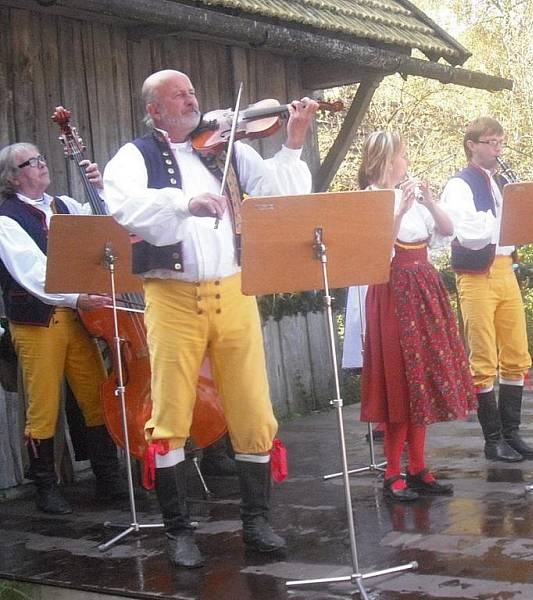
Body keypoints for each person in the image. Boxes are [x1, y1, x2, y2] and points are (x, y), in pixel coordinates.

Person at [103, 69, 318, 568]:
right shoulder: (135, 155)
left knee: (253, 410)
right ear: (154, 109)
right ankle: (179, 531)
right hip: (171, 297)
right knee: (171, 414)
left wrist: (292, 142)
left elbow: (279, 195)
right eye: (177, 95)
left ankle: (257, 523)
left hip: (235, 291)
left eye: (192, 92)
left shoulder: (230, 149)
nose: (191, 100)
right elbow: (127, 206)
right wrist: (184, 203)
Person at [0, 143, 125, 514]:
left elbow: (103, 227)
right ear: (13, 176)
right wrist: (76, 297)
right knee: (43, 405)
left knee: (94, 395)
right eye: (30, 162)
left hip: (78, 319)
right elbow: (32, 271)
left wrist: (100, 189)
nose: (40, 165)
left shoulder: (66, 206)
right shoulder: (6, 218)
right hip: (38, 321)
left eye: (40, 158)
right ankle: (45, 488)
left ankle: (108, 478)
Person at [359, 131, 475, 501]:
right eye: (403, 155)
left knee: (422, 379)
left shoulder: (413, 197)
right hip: (393, 290)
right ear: (386, 160)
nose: (406, 162)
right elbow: (376, 249)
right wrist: (399, 211)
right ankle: (392, 471)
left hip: (424, 288)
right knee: (400, 381)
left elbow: (447, 230)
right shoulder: (370, 199)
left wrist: (427, 199)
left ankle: (418, 466)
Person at [441, 116, 533, 463]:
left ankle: (512, 434)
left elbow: (508, 230)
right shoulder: (459, 184)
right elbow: (468, 233)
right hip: (476, 274)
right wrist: (503, 218)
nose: (498, 149)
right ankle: (492, 439)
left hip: (504, 270)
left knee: (516, 353)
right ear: (472, 145)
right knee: (483, 357)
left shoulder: (500, 183)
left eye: (501, 142)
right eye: (491, 142)